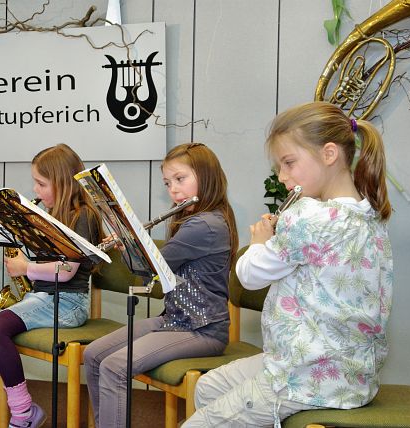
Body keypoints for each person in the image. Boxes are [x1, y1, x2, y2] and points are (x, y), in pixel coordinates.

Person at [182, 101, 393, 427]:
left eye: (289, 163)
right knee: (208, 387)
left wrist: (259, 241)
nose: (282, 176)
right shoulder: (369, 216)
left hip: (304, 376)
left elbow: (249, 276)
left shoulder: (307, 215)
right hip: (351, 374)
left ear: (329, 154)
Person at [84, 142, 239, 428]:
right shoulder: (191, 220)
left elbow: (152, 270)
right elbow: (155, 274)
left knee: (115, 367)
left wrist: (129, 240)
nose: (173, 190)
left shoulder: (204, 226)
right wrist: (129, 243)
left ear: (207, 177)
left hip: (202, 329)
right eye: (168, 183)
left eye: (180, 179)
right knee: (93, 355)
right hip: (175, 320)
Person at [0, 143, 103, 428]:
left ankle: (23, 413)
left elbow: (67, 271)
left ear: (63, 183)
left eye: (41, 184)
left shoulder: (83, 215)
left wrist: (26, 268)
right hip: (43, 297)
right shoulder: (49, 213)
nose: (35, 190)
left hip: (68, 303)